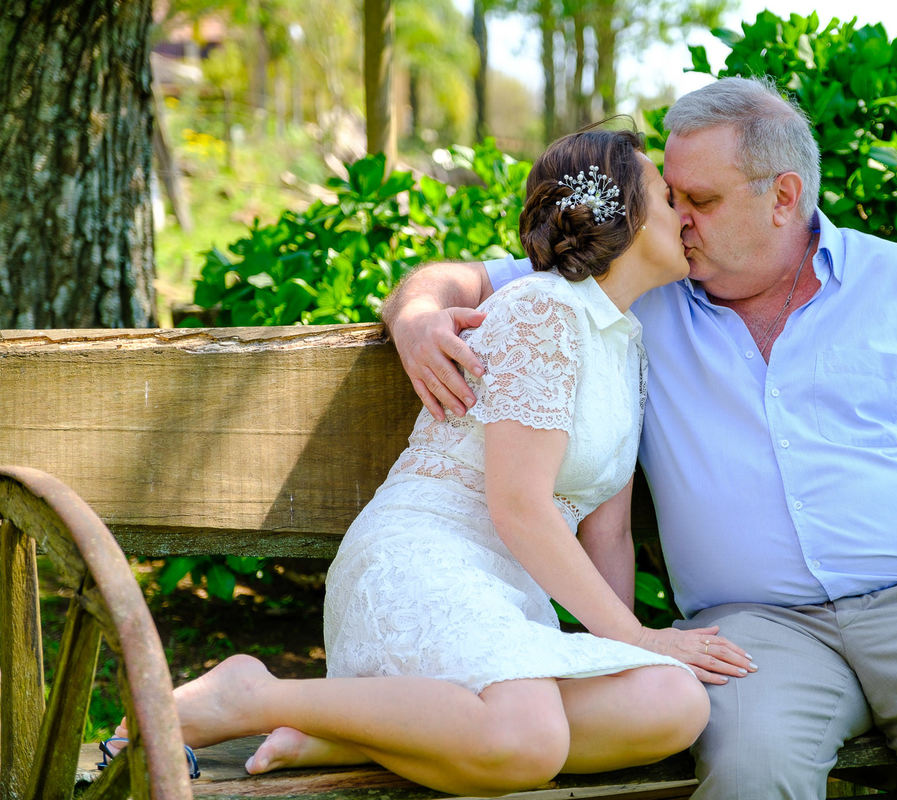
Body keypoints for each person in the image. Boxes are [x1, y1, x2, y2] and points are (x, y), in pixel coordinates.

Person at [384, 77, 897, 799]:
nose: (677, 220)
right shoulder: (637, 284)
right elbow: (468, 278)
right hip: (754, 631)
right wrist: (418, 315)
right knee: (751, 777)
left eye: (701, 201)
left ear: (781, 197)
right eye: (672, 197)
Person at [114, 128, 754, 796]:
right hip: (427, 561)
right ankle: (257, 694)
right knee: (529, 742)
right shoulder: (542, 310)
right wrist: (635, 635)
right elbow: (520, 507)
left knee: (672, 705)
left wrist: (622, 651)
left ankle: (353, 732)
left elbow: (608, 532)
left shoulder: (625, 343)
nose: (685, 212)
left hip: (507, 590)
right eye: (666, 192)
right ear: (619, 210)